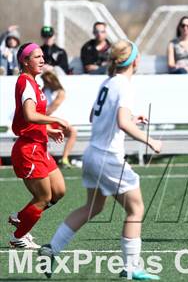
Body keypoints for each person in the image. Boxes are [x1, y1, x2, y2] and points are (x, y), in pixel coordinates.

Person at [39, 40, 162, 280]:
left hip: (92, 154)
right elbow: (121, 123)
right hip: (108, 157)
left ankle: (51, 249)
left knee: (92, 207)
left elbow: (94, 116)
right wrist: (150, 140)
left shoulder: (107, 82)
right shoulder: (124, 85)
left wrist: (129, 117)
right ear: (135, 61)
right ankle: (131, 266)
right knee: (135, 209)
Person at [9, 42, 69, 248]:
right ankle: (19, 236)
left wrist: (48, 130)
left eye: (43, 56)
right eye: (37, 57)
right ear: (25, 61)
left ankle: (22, 216)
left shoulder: (34, 82)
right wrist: (57, 120)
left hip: (39, 146)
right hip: (28, 150)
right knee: (44, 197)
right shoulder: (25, 82)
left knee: (59, 191)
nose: (42, 60)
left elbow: (30, 120)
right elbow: (30, 115)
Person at [41, 70, 77, 168]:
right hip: (46, 119)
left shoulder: (61, 92)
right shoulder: (43, 90)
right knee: (43, 132)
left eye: (47, 82)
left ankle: (64, 158)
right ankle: (43, 158)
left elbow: (53, 107)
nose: (45, 84)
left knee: (73, 132)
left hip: (56, 120)